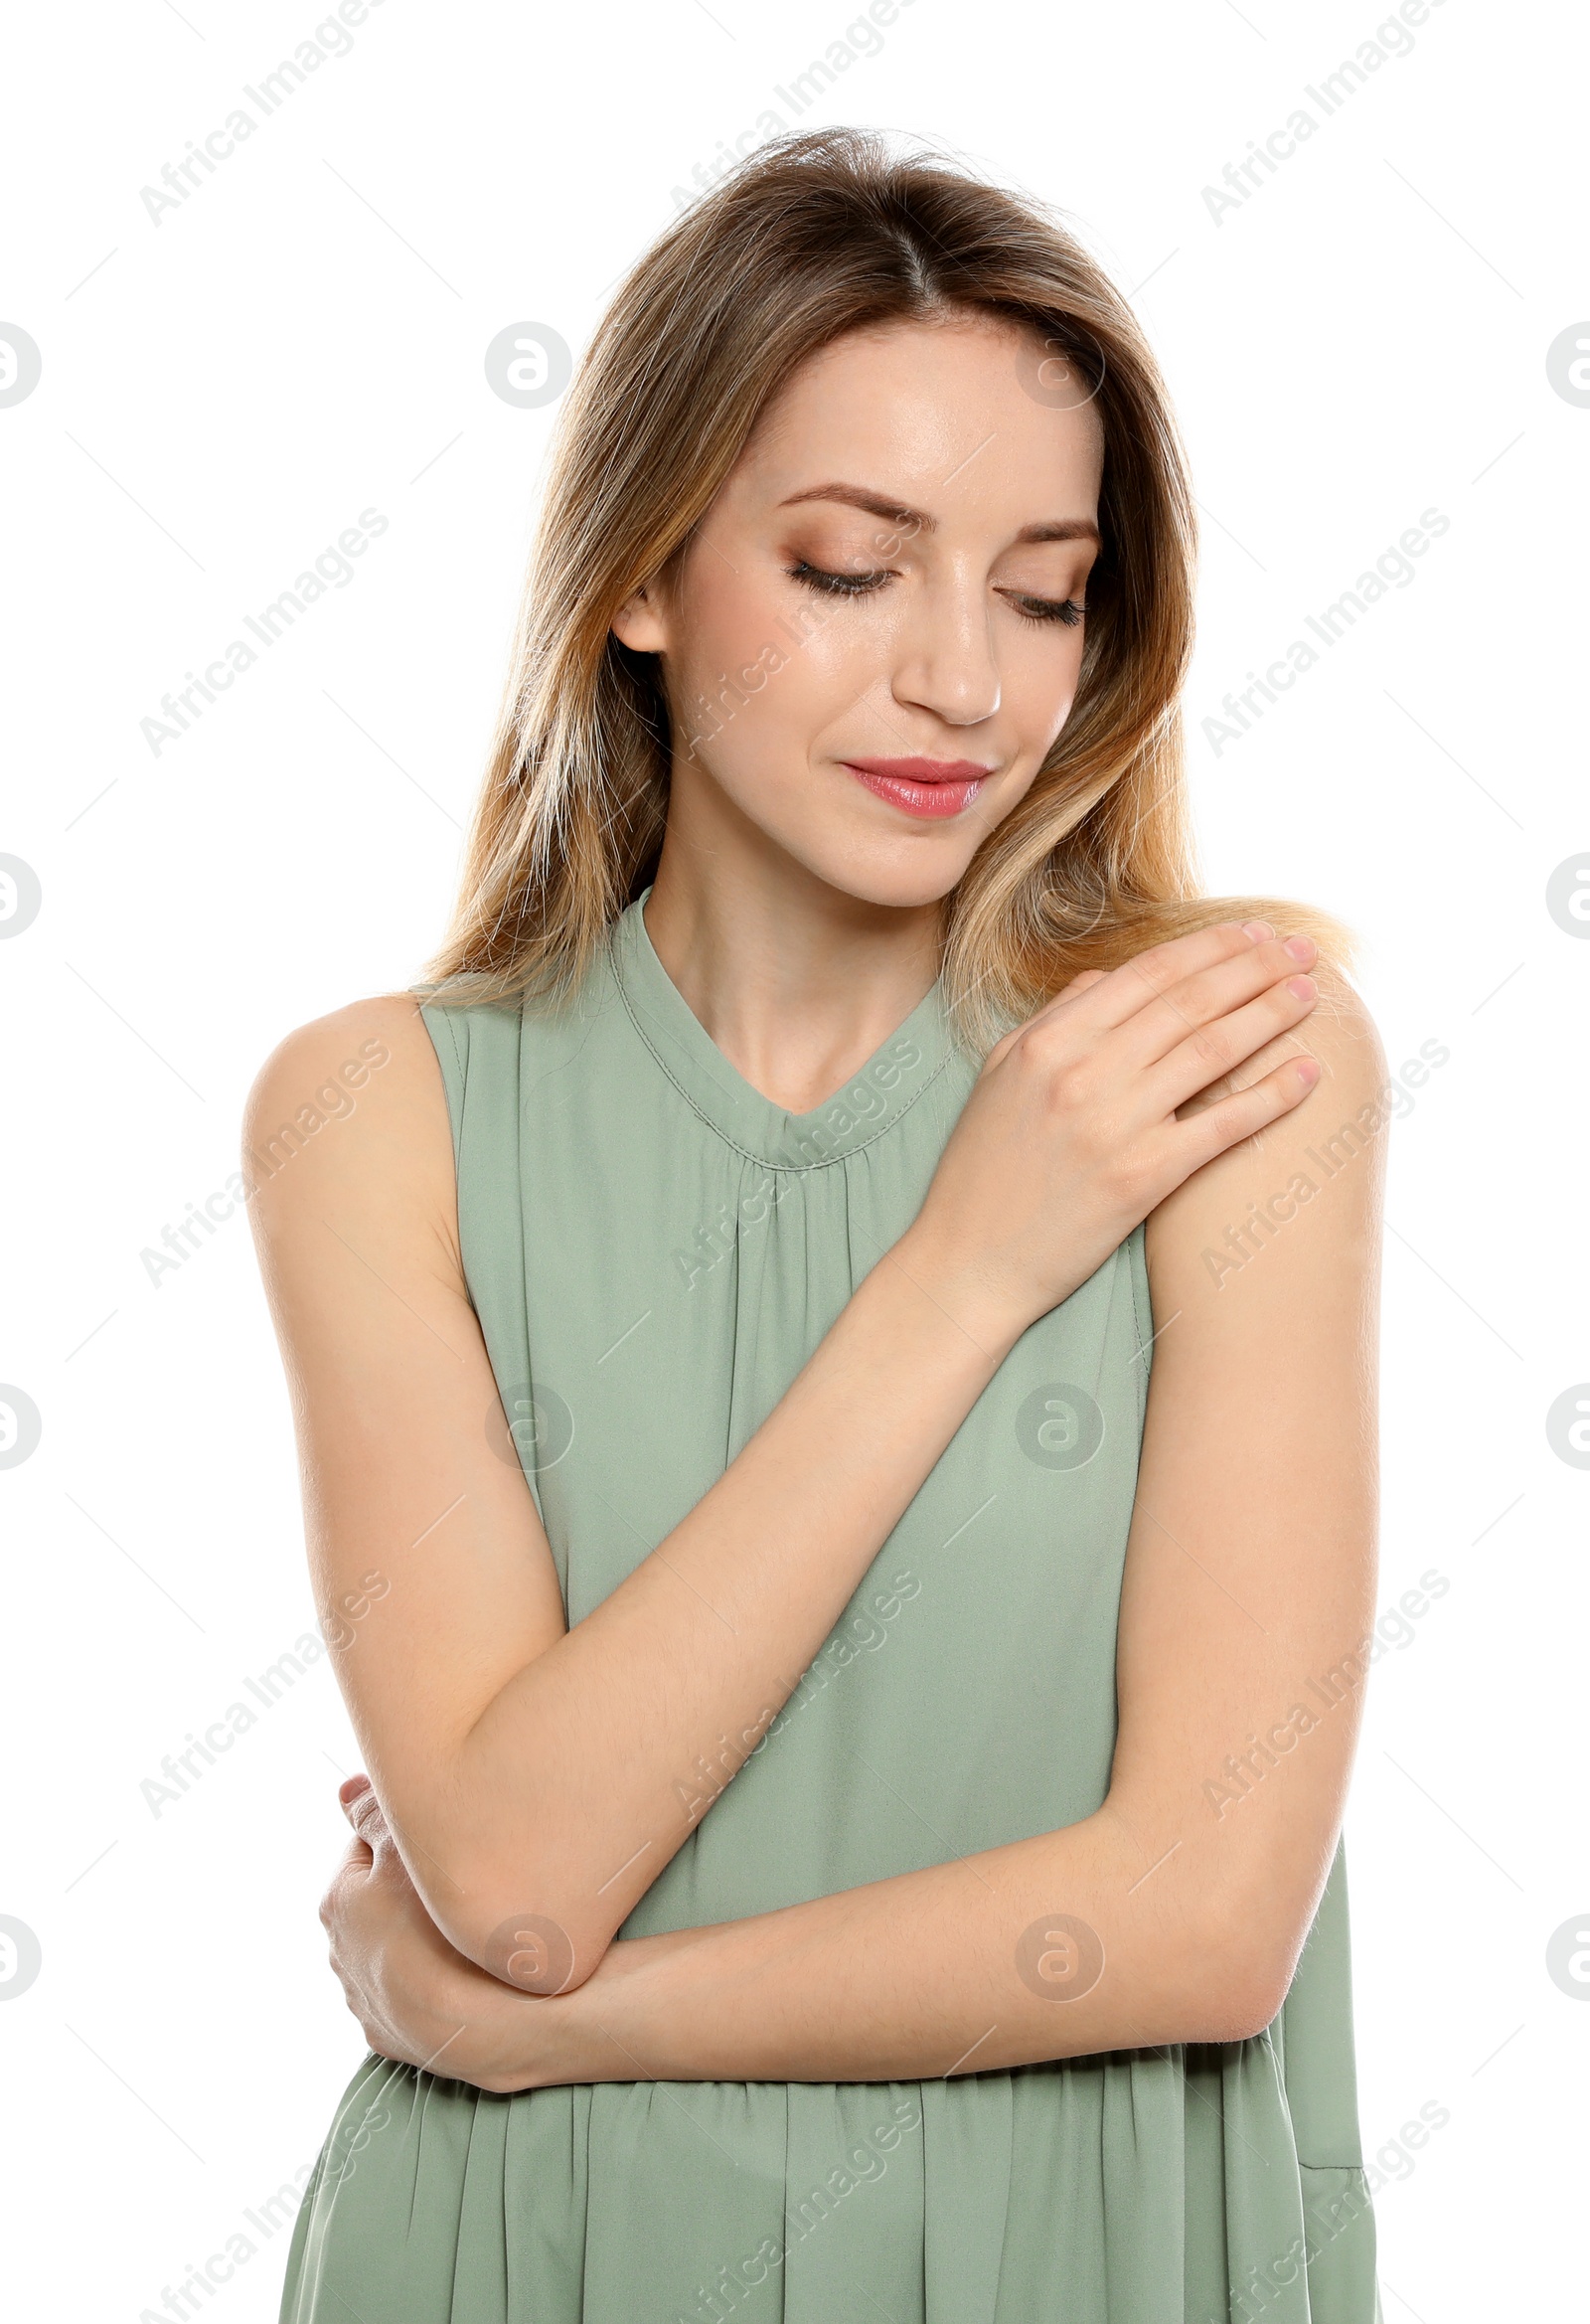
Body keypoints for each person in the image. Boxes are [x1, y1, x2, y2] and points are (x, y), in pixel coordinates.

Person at [245, 127, 1386, 2324]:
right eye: (854, 567)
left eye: (1044, 588)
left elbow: (1201, 1912)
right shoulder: (381, 1110)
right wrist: (966, 1265)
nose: (966, 682)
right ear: (642, 572)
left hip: (1079, 2258)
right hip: (516, 2258)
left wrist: (555, 2021)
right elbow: (512, 1865)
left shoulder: (1237, 1074)